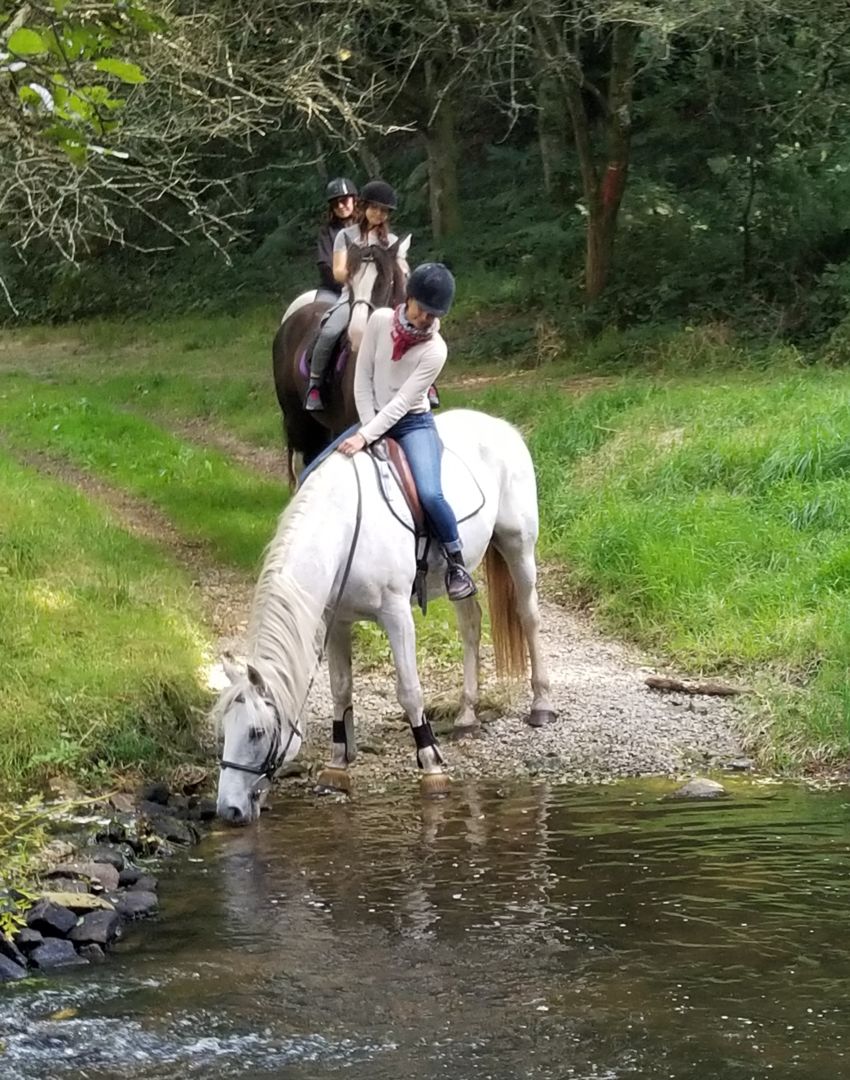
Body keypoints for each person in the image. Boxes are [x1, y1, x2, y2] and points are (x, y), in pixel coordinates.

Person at [337, 262, 476, 602]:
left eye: (433, 315)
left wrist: (368, 436)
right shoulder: (380, 320)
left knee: (430, 493)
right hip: (371, 418)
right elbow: (363, 378)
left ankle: (456, 562)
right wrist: (368, 428)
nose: (426, 319)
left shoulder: (435, 350)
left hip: (413, 423)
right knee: (322, 467)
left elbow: (402, 403)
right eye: (422, 310)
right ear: (409, 298)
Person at [306, 179, 404, 412]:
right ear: (364, 207)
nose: (378, 214)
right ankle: (315, 384)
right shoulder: (346, 236)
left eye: (383, 211)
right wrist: (359, 271)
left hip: (383, 299)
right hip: (353, 295)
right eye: (374, 208)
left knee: (412, 330)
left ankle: (427, 385)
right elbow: (338, 272)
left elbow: (399, 275)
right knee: (329, 331)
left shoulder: (391, 242)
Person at [316, 177, 357, 304]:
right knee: (322, 313)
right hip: (333, 290)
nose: (340, 206)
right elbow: (326, 265)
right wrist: (347, 283)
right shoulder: (326, 231)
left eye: (344, 201)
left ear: (354, 200)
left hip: (366, 287)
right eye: (335, 203)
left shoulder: (367, 227)